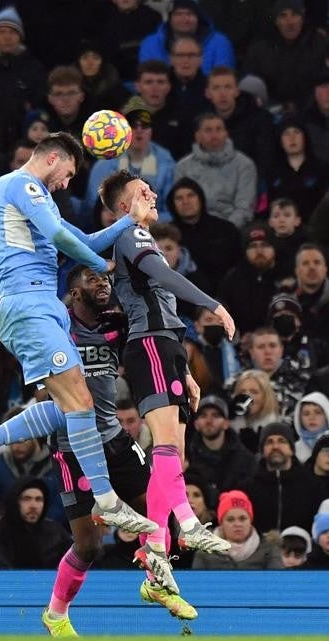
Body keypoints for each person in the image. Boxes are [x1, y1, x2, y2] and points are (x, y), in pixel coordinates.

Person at [0, 266, 196, 633]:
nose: (103, 284)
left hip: (114, 439)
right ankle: (56, 614)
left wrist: (184, 373)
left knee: (159, 511)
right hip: (71, 449)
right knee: (89, 545)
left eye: (106, 280)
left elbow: (158, 344)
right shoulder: (57, 327)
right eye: (93, 280)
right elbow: (23, 317)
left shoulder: (119, 324)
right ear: (74, 293)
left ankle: (155, 584)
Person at [0, 133, 154, 535]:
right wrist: (102, 267)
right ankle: (108, 501)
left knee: (71, 408)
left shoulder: (39, 204)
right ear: (53, 158)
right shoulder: (19, 184)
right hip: (29, 305)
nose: (65, 184)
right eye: (68, 174)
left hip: (43, 308)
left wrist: (130, 221)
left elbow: (84, 239)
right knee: (80, 404)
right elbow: (66, 241)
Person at [97, 170, 236, 590]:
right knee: (165, 445)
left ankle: (156, 546)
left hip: (166, 349)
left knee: (171, 448)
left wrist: (187, 373)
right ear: (125, 206)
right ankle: (186, 523)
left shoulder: (140, 238)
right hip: (152, 347)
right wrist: (213, 305)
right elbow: (164, 277)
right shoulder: (131, 235)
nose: (153, 194)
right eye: (143, 191)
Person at [192, 490, 283, 569]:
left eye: (242, 519)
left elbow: (277, 585)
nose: (237, 524)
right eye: (230, 520)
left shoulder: (269, 550)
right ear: (221, 524)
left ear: (250, 521)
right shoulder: (204, 553)